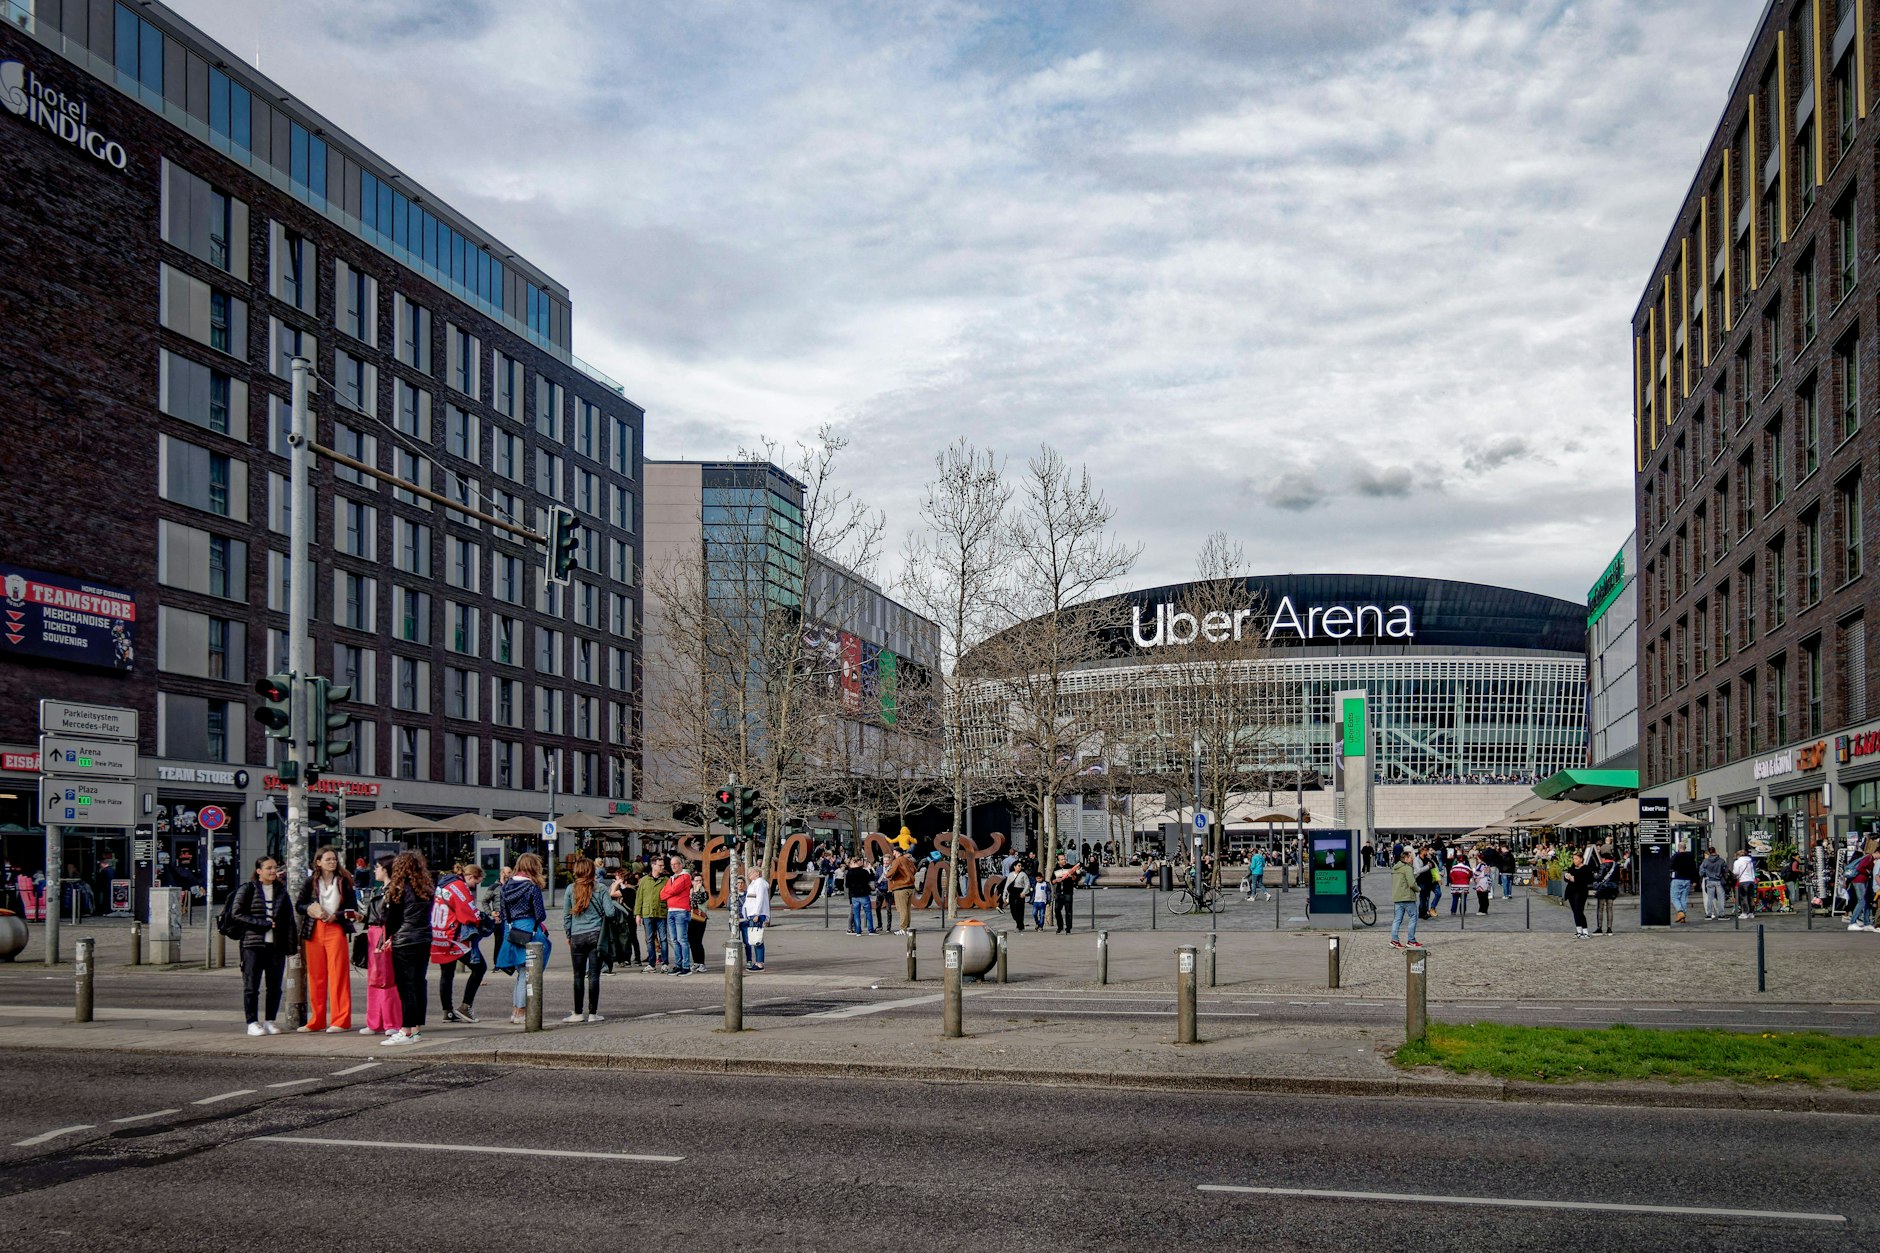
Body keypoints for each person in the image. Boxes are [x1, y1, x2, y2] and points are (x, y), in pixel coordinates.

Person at [294, 845, 358, 1033]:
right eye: (328, 859)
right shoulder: (310, 882)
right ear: (318, 862)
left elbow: (352, 907)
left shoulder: (344, 881)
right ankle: (317, 1019)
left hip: (335, 928)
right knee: (316, 976)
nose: (332, 862)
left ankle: (341, 1020)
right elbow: (299, 905)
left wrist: (336, 916)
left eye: (334, 859)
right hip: (314, 929)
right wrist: (310, 909)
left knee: (339, 975)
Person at [232, 856, 297, 1035]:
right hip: (252, 945)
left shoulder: (281, 892)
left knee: (274, 986)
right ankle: (252, 1022)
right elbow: (236, 914)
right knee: (251, 985)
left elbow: (289, 921)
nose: (273, 871)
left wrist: (291, 948)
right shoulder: (248, 889)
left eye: (274, 867)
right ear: (259, 871)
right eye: (268, 868)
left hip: (276, 946)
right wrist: (263, 923)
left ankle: (270, 1021)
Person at [378, 850, 434, 1046]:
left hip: (404, 941)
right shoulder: (426, 888)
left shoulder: (399, 889)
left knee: (406, 987)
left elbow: (391, 919)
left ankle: (406, 1030)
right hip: (424, 939)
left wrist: (388, 937)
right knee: (419, 984)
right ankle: (417, 1029)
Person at [561, 857, 621, 1022]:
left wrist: (569, 934)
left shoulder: (570, 889)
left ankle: (578, 1013)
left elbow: (567, 916)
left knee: (578, 975)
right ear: (591, 871)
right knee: (594, 975)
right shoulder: (600, 888)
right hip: (596, 935)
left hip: (577, 936)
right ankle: (593, 1013)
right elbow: (609, 913)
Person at [495, 853, 551, 1024]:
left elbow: (504, 913)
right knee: (529, 972)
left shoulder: (506, 886)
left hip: (512, 931)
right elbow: (540, 914)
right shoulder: (532, 887)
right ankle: (520, 1012)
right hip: (529, 930)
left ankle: (515, 1010)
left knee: (521, 973)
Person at [432, 862, 486, 1023]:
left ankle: (447, 1011)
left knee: (446, 973)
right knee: (479, 967)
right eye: (475, 882)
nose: (475, 886)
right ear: (470, 876)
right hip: (453, 936)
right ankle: (465, 1006)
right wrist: (481, 919)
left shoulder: (443, 884)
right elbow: (469, 914)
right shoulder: (459, 887)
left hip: (438, 934)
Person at [361, 857, 402, 1036]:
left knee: (387, 977)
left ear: (385, 869)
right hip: (375, 932)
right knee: (376, 978)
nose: (375, 871)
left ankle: (390, 1021)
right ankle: (375, 1020)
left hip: (384, 932)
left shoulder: (394, 891)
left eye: (377, 867)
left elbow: (393, 916)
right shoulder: (382, 890)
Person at [657, 856, 694, 974]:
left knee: (682, 939)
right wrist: (670, 891)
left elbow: (673, 890)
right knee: (674, 940)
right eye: (672, 864)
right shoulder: (671, 878)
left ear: (680, 865)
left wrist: (669, 891)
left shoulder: (685, 876)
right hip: (671, 910)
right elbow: (662, 895)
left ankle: (686, 966)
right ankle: (678, 965)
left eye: (676, 864)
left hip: (681, 910)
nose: (673, 866)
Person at [635, 856, 669, 971]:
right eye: (660, 865)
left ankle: (665, 963)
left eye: (663, 865)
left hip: (661, 912)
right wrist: (637, 914)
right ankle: (651, 963)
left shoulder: (666, 880)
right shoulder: (644, 880)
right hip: (647, 913)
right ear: (653, 865)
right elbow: (639, 898)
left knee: (663, 938)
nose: (662, 867)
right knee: (649, 939)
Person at [1388, 847, 1421, 949]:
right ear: (1406, 858)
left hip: (1397, 897)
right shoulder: (1407, 868)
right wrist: (1418, 889)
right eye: (1410, 858)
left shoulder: (1395, 868)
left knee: (1397, 919)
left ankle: (1394, 940)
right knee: (1413, 917)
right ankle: (1411, 940)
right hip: (1407, 897)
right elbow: (1411, 883)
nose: (1412, 859)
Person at [742, 868, 771, 971]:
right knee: (754, 938)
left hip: (756, 914)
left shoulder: (760, 883)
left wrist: (756, 913)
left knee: (757, 938)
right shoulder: (754, 883)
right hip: (752, 914)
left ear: (757, 873)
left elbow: (760, 899)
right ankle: (758, 962)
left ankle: (760, 963)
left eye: (751, 872)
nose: (749, 874)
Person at [1563, 850, 1596, 939]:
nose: (1575, 860)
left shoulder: (1586, 868)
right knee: (1575, 911)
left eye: (1576, 858)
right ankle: (1578, 930)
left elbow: (1589, 879)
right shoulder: (1572, 868)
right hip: (1571, 891)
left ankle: (1585, 931)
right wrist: (1566, 876)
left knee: (1579, 910)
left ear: (1581, 859)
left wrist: (1575, 879)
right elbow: (1566, 879)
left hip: (1580, 891)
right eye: (1574, 858)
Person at [885, 847, 917, 935]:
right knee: (907, 909)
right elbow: (914, 870)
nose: (893, 853)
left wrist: (887, 875)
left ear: (896, 852)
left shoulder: (897, 861)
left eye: (893, 851)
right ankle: (907, 927)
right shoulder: (908, 860)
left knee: (902, 909)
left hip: (900, 887)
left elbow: (891, 872)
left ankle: (903, 928)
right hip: (910, 886)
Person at [844, 857, 877, 934]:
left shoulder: (849, 872)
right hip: (864, 894)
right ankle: (870, 930)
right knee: (868, 912)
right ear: (858, 862)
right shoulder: (864, 871)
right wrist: (871, 869)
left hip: (854, 895)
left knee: (856, 914)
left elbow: (847, 885)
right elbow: (871, 878)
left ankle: (858, 931)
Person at [1846, 845, 1875, 931]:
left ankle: (1866, 922)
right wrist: (1868, 872)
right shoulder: (1869, 857)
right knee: (1862, 901)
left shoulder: (1869, 857)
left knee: (1865, 901)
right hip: (1860, 881)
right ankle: (1852, 922)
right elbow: (1860, 868)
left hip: (1861, 881)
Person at [1669, 843, 1698, 925]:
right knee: (1684, 898)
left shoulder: (1676, 856)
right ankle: (1683, 917)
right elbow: (1694, 869)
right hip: (1687, 879)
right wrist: (1695, 880)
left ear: (1678, 848)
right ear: (1685, 848)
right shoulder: (1690, 856)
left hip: (1678, 878)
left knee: (1674, 897)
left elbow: (1670, 866)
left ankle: (1680, 911)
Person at [1699, 846, 1727, 920]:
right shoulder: (1721, 861)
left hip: (1709, 880)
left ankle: (1709, 914)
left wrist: (1705, 875)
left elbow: (1701, 872)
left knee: (1709, 898)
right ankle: (1721, 914)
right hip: (1719, 881)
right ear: (1715, 852)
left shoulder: (1705, 861)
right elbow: (1725, 871)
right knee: (1720, 898)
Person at [1051, 854, 1077, 933]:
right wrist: (1056, 880)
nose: (1064, 861)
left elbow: (1075, 879)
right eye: (1062, 859)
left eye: (1064, 859)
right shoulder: (1056, 869)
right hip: (1059, 892)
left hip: (1068, 892)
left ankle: (1068, 928)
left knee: (1068, 910)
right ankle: (1060, 926)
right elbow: (1052, 880)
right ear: (1058, 861)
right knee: (1057, 910)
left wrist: (1072, 874)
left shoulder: (1070, 867)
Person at [1732, 847, 1759, 920]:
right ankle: (1751, 912)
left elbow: (1736, 872)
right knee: (1750, 897)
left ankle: (1744, 913)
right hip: (1751, 881)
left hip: (1743, 881)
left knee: (1743, 898)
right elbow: (1753, 872)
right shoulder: (1750, 861)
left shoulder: (1737, 862)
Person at [1004, 861, 1031, 931]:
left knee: (1020, 909)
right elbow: (1007, 885)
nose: (1020, 867)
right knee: (1013, 910)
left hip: (1020, 892)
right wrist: (1004, 895)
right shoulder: (1010, 875)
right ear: (1014, 866)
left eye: (1020, 866)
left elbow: (1027, 884)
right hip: (1012, 893)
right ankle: (1020, 923)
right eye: (1018, 866)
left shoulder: (1023, 874)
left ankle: (1019, 926)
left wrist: (1024, 892)